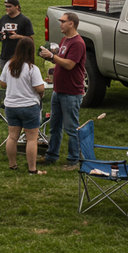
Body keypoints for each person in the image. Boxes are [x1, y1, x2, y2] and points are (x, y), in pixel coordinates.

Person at [40, 11, 86, 169]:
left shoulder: (78, 43)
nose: (60, 24)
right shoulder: (64, 40)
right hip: (58, 90)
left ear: (71, 23)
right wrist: (51, 58)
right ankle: (51, 156)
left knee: (71, 128)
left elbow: (70, 64)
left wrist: (52, 57)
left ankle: (74, 160)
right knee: (55, 127)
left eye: (63, 21)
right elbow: (61, 61)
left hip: (71, 92)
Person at [0, 37, 47, 175]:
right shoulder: (32, 68)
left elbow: (2, 84)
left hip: (11, 106)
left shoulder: (9, 65)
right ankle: (32, 169)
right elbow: (39, 88)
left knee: (12, 137)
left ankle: (12, 164)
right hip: (29, 106)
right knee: (31, 139)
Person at [0, 0, 34, 72]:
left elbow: (30, 39)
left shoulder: (25, 20)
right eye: (6, 6)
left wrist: (18, 36)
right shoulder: (4, 18)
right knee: (4, 77)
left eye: (9, 6)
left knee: (17, 76)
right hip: (5, 54)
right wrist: (0, 36)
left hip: (20, 55)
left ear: (17, 6)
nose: (7, 8)